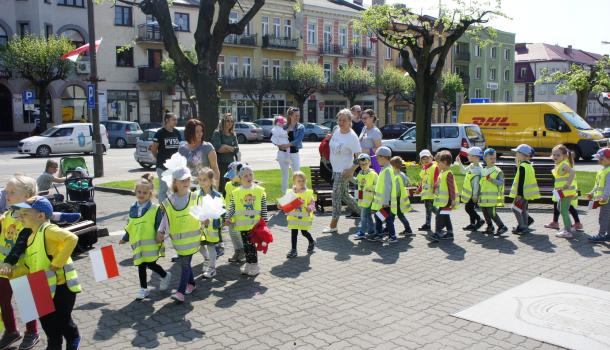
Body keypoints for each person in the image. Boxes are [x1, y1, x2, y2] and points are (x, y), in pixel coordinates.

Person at [9, 196, 81, 350]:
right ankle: (54, 344)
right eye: (19, 215)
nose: (20, 218)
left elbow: (71, 238)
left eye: (25, 214)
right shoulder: (30, 237)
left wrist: (56, 263)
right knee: (47, 323)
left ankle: (73, 337)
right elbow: (31, 264)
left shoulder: (48, 229)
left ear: (40, 216)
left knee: (62, 320)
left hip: (61, 286)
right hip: (41, 286)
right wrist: (13, 272)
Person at [0, 176, 40, 350]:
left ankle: (32, 332)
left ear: (27, 195)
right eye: (6, 191)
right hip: (3, 268)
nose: (7, 195)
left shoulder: (31, 217)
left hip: (23, 268)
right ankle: (11, 331)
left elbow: (23, 242)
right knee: (2, 300)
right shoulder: (7, 215)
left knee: (26, 301)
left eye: (12, 192)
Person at [119, 174, 171, 300]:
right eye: (139, 192)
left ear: (150, 194)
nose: (142, 194)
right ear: (135, 192)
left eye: (145, 192)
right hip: (138, 243)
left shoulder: (155, 209)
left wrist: (161, 234)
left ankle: (164, 275)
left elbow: (161, 223)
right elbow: (130, 225)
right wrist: (125, 238)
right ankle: (143, 289)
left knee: (151, 263)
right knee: (140, 264)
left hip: (152, 242)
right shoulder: (133, 208)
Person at [157, 163, 200, 303]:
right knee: (185, 262)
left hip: (192, 240)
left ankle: (180, 292)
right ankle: (191, 284)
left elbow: (202, 214)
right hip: (178, 241)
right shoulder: (169, 201)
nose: (186, 182)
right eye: (182, 180)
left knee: (185, 264)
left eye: (188, 179)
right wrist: (160, 231)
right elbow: (165, 218)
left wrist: (205, 220)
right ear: (175, 182)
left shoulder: (194, 197)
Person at [322, 109, 362, 233]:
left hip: (343, 172)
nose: (341, 122)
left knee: (335, 196)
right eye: (339, 119)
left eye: (344, 120)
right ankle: (363, 212)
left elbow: (360, 157)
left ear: (350, 121)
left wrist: (351, 170)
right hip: (336, 170)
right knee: (344, 195)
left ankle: (333, 225)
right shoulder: (336, 131)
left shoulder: (352, 137)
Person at [225, 166, 268, 276]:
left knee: (251, 246)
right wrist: (227, 217)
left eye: (251, 174)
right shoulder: (236, 192)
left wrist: (265, 221)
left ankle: (255, 266)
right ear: (240, 178)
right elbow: (232, 207)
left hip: (255, 225)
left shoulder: (259, 190)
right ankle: (249, 264)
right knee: (246, 246)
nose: (249, 177)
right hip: (243, 225)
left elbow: (263, 206)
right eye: (245, 175)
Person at [197, 167, 224, 279]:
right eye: (200, 179)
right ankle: (208, 259)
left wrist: (210, 220)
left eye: (205, 179)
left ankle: (212, 268)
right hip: (199, 226)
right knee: (198, 245)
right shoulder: (196, 194)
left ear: (211, 180)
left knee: (210, 246)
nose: (202, 182)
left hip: (212, 227)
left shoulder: (217, 196)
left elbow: (221, 211)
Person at [178, 119, 220, 188]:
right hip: (187, 188)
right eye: (197, 132)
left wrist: (215, 188)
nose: (200, 134)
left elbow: (215, 169)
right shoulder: (182, 149)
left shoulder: (207, 147)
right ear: (190, 133)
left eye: (201, 131)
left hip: (204, 187)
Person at [508, 144, 540, 235]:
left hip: (521, 194)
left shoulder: (522, 166)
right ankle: (524, 226)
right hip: (527, 193)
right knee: (523, 209)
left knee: (515, 208)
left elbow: (521, 181)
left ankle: (522, 226)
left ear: (523, 155)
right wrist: (517, 165)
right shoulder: (528, 165)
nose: (516, 154)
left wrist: (519, 194)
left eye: (517, 153)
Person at [151, 112, 182, 203]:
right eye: (173, 119)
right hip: (162, 166)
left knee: (174, 188)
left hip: (175, 167)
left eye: (176, 119)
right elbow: (153, 149)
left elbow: (180, 147)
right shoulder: (160, 133)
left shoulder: (177, 132)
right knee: (163, 188)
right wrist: (158, 158)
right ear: (167, 120)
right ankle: (162, 209)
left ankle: (172, 208)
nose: (175, 121)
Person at [285, 171, 316, 258]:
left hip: (304, 217)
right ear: (294, 182)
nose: (301, 183)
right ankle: (293, 250)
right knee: (294, 233)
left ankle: (311, 241)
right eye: (299, 181)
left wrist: (310, 207)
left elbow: (312, 203)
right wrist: (280, 205)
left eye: (303, 181)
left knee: (304, 232)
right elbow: (285, 204)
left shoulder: (308, 192)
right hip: (293, 217)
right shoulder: (291, 192)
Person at [549, 144, 577, 238]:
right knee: (560, 208)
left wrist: (567, 185)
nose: (555, 157)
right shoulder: (560, 164)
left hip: (566, 192)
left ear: (564, 156)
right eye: (554, 155)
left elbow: (572, 172)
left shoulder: (564, 164)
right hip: (562, 192)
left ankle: (568, 231)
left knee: (563, 210)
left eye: (558, 155)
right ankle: (568, 227)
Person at [370, 147, 397, 243]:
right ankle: (380, 235)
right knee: (379, 217)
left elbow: (387, 187)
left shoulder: (387, 170)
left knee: (387, 219)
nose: (376, 160)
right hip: (383, 202)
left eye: (377, 158)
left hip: (385, 202)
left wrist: (386, 202)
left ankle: (391, 236)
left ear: (383, 157)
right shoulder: (385, 169)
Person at [429, 150, 458, 241]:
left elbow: (451, 187)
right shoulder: (442, 172)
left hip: (447, 200)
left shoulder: (448, 173)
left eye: (439, 163)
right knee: (445, 216)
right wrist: (435, 187)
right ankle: (450, 232)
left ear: (445, 162)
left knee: (439, 216)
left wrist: (453, 200)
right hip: (443, 200)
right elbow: (439, 184)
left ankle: (437, 233)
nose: (437, 165)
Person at [479, 148, 508, 236]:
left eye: (494, 158)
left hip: (492, 197)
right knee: (485, 212)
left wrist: (492, 180)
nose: (493, 160)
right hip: (483, 197)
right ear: (485, 158)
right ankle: (490, 227)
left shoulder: (497, 171)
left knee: (492, 213)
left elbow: (501, 183)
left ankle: (502, 226)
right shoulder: (483, 170)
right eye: (490, 158)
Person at [455, 147, 485, 231]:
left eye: (469, 155)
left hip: (473, 194)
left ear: (475, 157)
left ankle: (480, 220)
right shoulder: (472, 165)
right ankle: (472, 224)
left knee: (468, 208)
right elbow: (463, 171)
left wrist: (475, 196)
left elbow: (476, 184)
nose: (467, 156)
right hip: (470, 193)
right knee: (470, 208)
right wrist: (459, 162)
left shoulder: (478, 169)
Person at [211, 113, 240, 195]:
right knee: (222, 188)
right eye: (227, 121)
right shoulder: (217, 133)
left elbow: (236, 149)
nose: (230, 123)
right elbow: (219, 149)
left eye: (231, 121)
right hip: (220, 165)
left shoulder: (233, 134)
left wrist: (225, 146)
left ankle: (230, 206)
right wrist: (230, 148)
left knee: (232, 187)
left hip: (231, 166)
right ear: (223, 122)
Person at [278, 107, 304, 194]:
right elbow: (276, 138)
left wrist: (287, 145)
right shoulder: (283, 127)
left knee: (297, 175)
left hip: (294, 154)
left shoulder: (301, 127)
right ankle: (284, 196)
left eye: (298, 116)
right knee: (285, 175)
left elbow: (298, 140)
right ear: (290, 116)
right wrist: (278, 145)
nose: (297, 117)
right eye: (296, 116)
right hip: (283, 153)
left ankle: (298, 195)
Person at [223, 162, 246, 263]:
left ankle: (243, 251)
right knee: (232, 234)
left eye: (232, 176)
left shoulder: (244, 187)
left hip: (240, 216)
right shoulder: (228, 185)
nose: (230, 178)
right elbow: (226, 199)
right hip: (230, 215)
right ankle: (238, 251)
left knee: (238, 234)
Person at [352, 153, 378, 240]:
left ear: (369, 163)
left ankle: (362, 232)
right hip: (361, 197)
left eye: (365, 164)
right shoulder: (360, 173)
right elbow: (357, 182)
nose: (363, 166)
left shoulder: (373, 174)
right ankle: (371, 230)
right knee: (367, 216)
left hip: (369, 198)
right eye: (361, 164)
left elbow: (377, 186)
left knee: (363, 216)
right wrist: (350, 177)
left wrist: (370, 188)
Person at [587, 148, 610, 242]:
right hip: (603, 199)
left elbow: (609, 186)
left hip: (607, 199)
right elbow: (597, 184)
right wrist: (592, 192)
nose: (599, 160)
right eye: (598, 158)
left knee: (603, 218)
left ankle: (601, 235)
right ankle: (608, 234)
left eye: (601, 159)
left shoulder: (608, 171)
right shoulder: (603, 170)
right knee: (606, 217)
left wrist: (605, 196)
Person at [390, 156, 414, 236]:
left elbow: (396, 189)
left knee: (393, 214)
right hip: (400, 197)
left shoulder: (396, 176)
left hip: (396, 198)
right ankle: (408, 229)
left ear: (393, 166)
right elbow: (408, 183)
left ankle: (389, 229)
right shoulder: (402, 174)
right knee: (399, 214)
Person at [417, 150, 438, 232]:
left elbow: (437, 178)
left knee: (431, 208)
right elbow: (423, 181)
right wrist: (419, 189)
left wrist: (435, 188)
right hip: (426, 194)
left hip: (432, 193)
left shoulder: (434, 167)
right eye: (423, 159)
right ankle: (428, 224)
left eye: (427, 158)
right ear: (421, 160)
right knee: (428, 209)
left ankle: (442, 219)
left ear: (431, 158)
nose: (425, 160)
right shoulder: (423, 169)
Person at [271, 116, 291, 193]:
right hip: (282, 152)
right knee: (285, 173)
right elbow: (275, 140)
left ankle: (286, 191)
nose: (282, 124)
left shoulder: (280, 129)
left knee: (286, 173)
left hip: (285, 152)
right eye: (281, 123)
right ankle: (285, 192)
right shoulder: (277, 130)